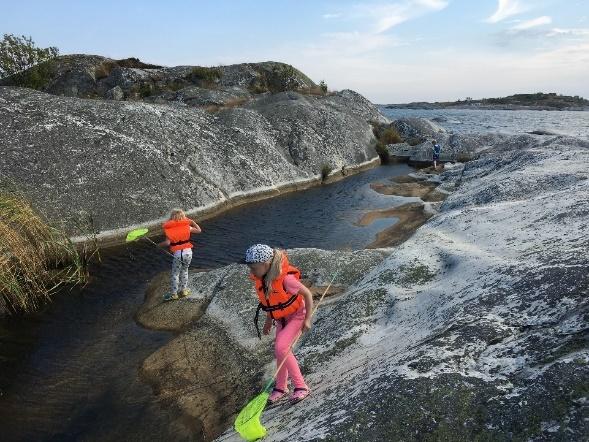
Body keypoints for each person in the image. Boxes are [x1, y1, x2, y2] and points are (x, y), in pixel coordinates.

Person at [244, 244, 314, 404]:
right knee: (280, 351)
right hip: (280, 319)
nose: (251, 272)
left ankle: (301, 386)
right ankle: (281, 387)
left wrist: (307, 319)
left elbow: (308, 295)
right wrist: (269, 320)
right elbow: (270, 302)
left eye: (254, 268)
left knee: (282, 348)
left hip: (297, 316)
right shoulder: (263, 279)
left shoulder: (287, 280)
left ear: (266, 265)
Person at [158, 209, 201, 301]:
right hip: (189, 252)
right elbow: (199, 230)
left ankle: (174, 294)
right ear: (183, 217)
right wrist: (192, 222)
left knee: (175, 274)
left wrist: (159, 245)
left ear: (172, 218)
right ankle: (183, 290)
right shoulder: (187, 227)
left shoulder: (170, 229)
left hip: (178, 254)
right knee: (185, 270)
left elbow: (167, 243)